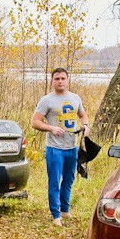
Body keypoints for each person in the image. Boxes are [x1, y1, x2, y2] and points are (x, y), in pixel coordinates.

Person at [31, 68, 90, 226]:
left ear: (68, 79)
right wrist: (51, 128)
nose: (60, 81)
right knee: (55, 181)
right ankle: (55, 214)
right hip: (54, 148)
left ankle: (65, 209)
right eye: (57, 78)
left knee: (69, 180)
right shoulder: (47, 100)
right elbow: (35, 122)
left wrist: (85, 126)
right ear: (52, 81)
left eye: (63, 78)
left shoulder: (75, 98)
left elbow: (82, 115)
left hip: (71, 147)